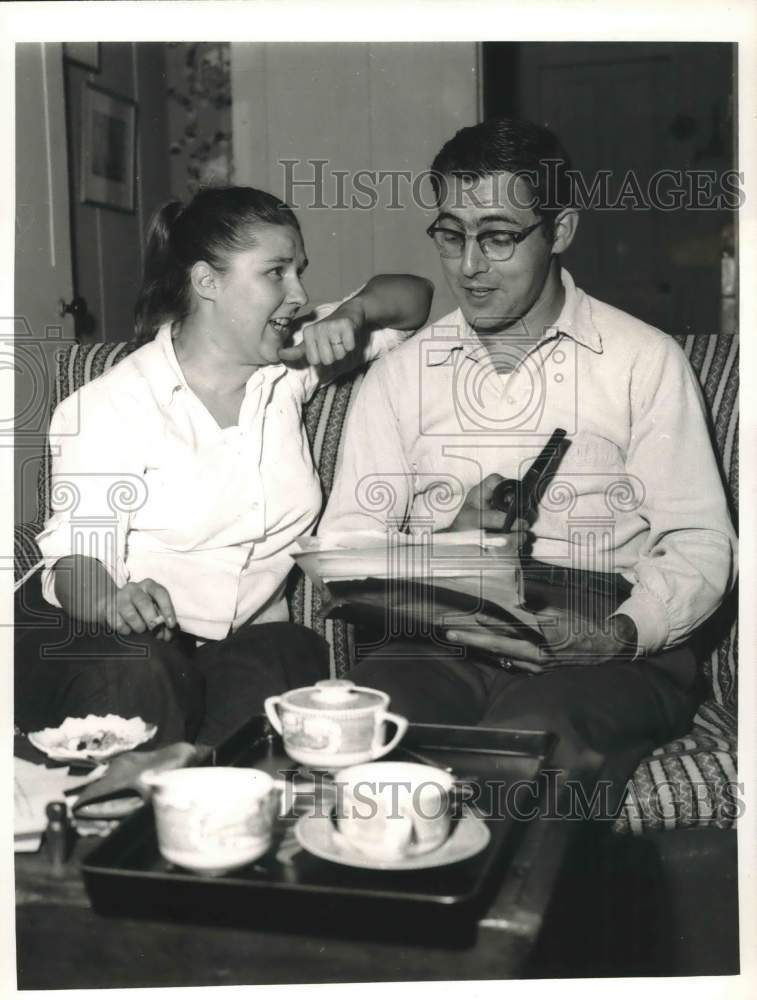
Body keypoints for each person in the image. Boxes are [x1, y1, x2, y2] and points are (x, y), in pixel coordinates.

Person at [319, 117, 737, 802]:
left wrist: (620, 634)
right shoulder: (401, 375)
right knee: (370, 739)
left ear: (560, 232)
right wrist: (447, 554)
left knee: (526, 749)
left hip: (598, 628)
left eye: (499, 236)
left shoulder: (642, 360)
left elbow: (698, 542)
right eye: (451, 235)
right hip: (436, 632)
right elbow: (345, 550)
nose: (469, 266)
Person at [15, 185, 433, 749]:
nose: (299, 293)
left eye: (299, 271)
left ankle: (207, 785)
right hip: (106, 643)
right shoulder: (111, 406)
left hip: (233, 647)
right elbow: (77, 563)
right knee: (145, 679)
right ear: (206, 282)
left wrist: (354, 311)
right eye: (276, 273)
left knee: (290, 658)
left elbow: (415, 298)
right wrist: (114, 601)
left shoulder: (291, 366)